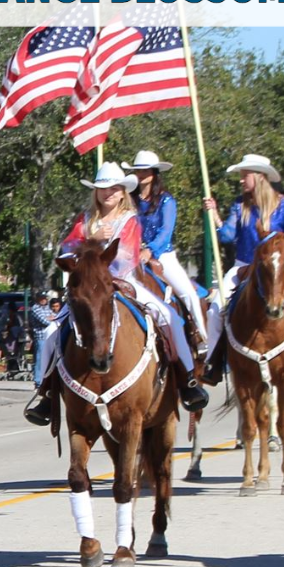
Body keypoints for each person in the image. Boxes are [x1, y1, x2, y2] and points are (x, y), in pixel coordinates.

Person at [24, 162, 206, 427]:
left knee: (170, 318)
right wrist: (91, 235)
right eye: (102, 189)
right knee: (53, 331)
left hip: (123, 282)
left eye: (114, 188)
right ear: (95, 192)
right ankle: (45, 391)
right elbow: (66, 248)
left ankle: (187, 378)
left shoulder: (129, 220)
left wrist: (100, 248)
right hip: (89, 287)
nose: (108, 193)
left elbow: (128, 256)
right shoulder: (85, 220)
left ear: (123, 192)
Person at [201, 154, 284, 386]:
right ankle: (213, 361)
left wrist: (272, 245)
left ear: (260, 177)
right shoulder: (239, 206)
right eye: (241, 176)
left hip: (277, 266)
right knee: (215, 309)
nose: (241, 181)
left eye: (245, 176)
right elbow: (227, 236)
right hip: (244, 265)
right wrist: (215, 217)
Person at [125, 149, 208, 349]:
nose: (141, 174)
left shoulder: (166, 200)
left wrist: (150, 250)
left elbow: (165, 231)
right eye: (138, 171)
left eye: (145, 171)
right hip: (131, 255)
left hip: (162, 255)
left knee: (188, 293)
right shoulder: (129, 200)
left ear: (154, 173)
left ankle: (203, 339)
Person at [29, 291, 54, 383]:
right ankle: (38, 381)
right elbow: (44, 321)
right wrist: (50, 318)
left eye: (45, 298)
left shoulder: (48, 307)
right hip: (41, 337)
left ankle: (48, 380)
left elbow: (56, 317)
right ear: (37, 299)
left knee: (50, 359)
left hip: (50, 336)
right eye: (41, 298)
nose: (44, 300)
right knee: (40, 360)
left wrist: (51, 318)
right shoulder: (35, 308)